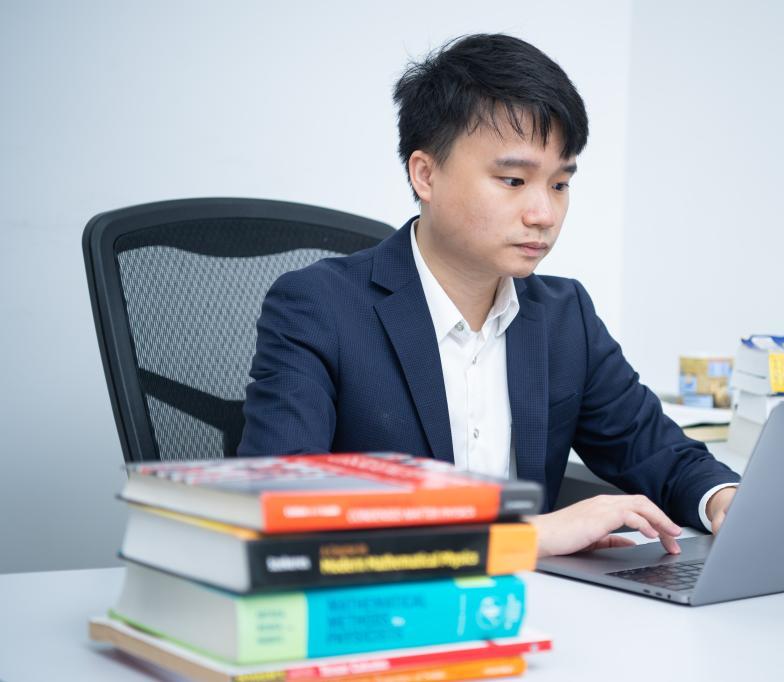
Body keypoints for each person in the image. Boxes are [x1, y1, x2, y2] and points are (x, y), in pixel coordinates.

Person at [238, 33, 740, 558]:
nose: (543, 214)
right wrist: (527, 537)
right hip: (386, 600)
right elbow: (281, 509)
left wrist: (724, 498)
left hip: (537, 599)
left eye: (560, 184)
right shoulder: (318, 307)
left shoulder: (564, 317)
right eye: (513, 180)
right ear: (426, 174)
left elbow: (657, 452)